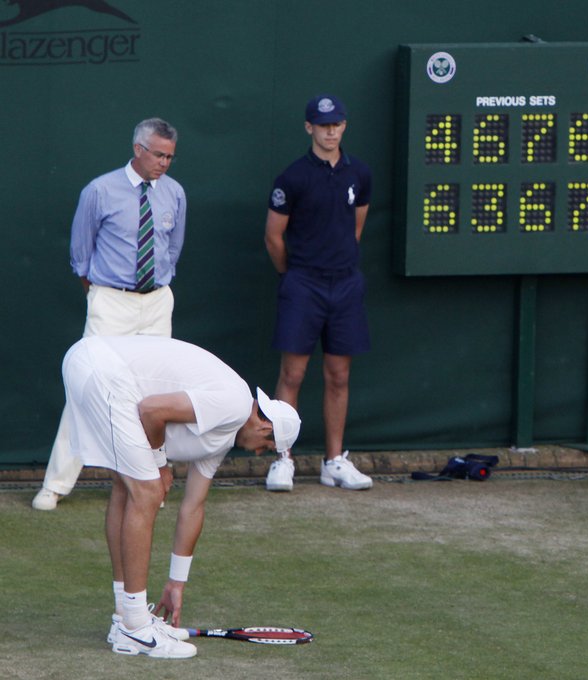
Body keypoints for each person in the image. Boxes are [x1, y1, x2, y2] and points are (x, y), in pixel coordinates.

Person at [62, 335, 301, 658]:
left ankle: (125, 616)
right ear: (264, 430)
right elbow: (151, 410)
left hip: (91, 365)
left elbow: (193, 506)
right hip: (102, 368)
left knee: (127, 487)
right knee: (146, 491)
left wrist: (177, 582)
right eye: (265, 448)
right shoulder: (234, 404)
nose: (258, 453)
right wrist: (160, 464)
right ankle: (135, 628)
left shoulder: (223, 438)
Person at [33, 117, 187, 511]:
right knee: (89, 387)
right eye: (158, 154)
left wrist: (155, 288)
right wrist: (102, 293)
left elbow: (172, 249)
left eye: (170, 156)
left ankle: (150, 483)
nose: (164, 163)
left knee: (155, 394)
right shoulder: (99, 191)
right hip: (110, 301)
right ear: (138, 150)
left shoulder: (174, 193)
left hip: (156, 302)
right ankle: (55, 485)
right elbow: (81, 254)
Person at [263, 94, 373, 493]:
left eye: (337, 124)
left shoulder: (358, 173)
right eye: (323, 124)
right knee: (292, 373)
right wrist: (293, 274)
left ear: (344, 126)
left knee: (339, 375)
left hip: (345, 283)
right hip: (302, 283)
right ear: (309, 127)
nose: (331, 131)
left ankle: (333, 462)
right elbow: (274, 238)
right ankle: (282, 459)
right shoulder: (292, 177)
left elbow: (355, 228)